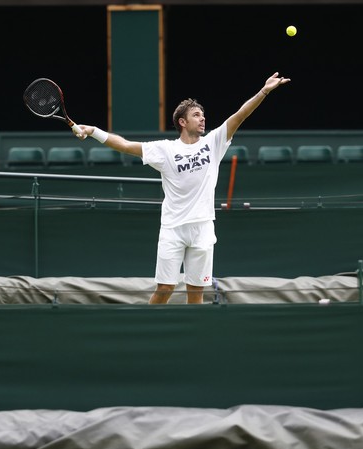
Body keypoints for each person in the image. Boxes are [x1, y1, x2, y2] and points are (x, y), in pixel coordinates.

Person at [73, 72, 291, 304]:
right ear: (182, 122)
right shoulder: (165, 149)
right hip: (172, 228)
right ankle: (149, 333)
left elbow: (240, 115)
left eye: (203, 114)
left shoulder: (213, 142)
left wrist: (264, 91)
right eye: (196, 115)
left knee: (196, 291)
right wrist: (94, 130)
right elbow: (125, 145)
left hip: (203, 228)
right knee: (165, 288)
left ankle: (193, 338)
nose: (203, 118)